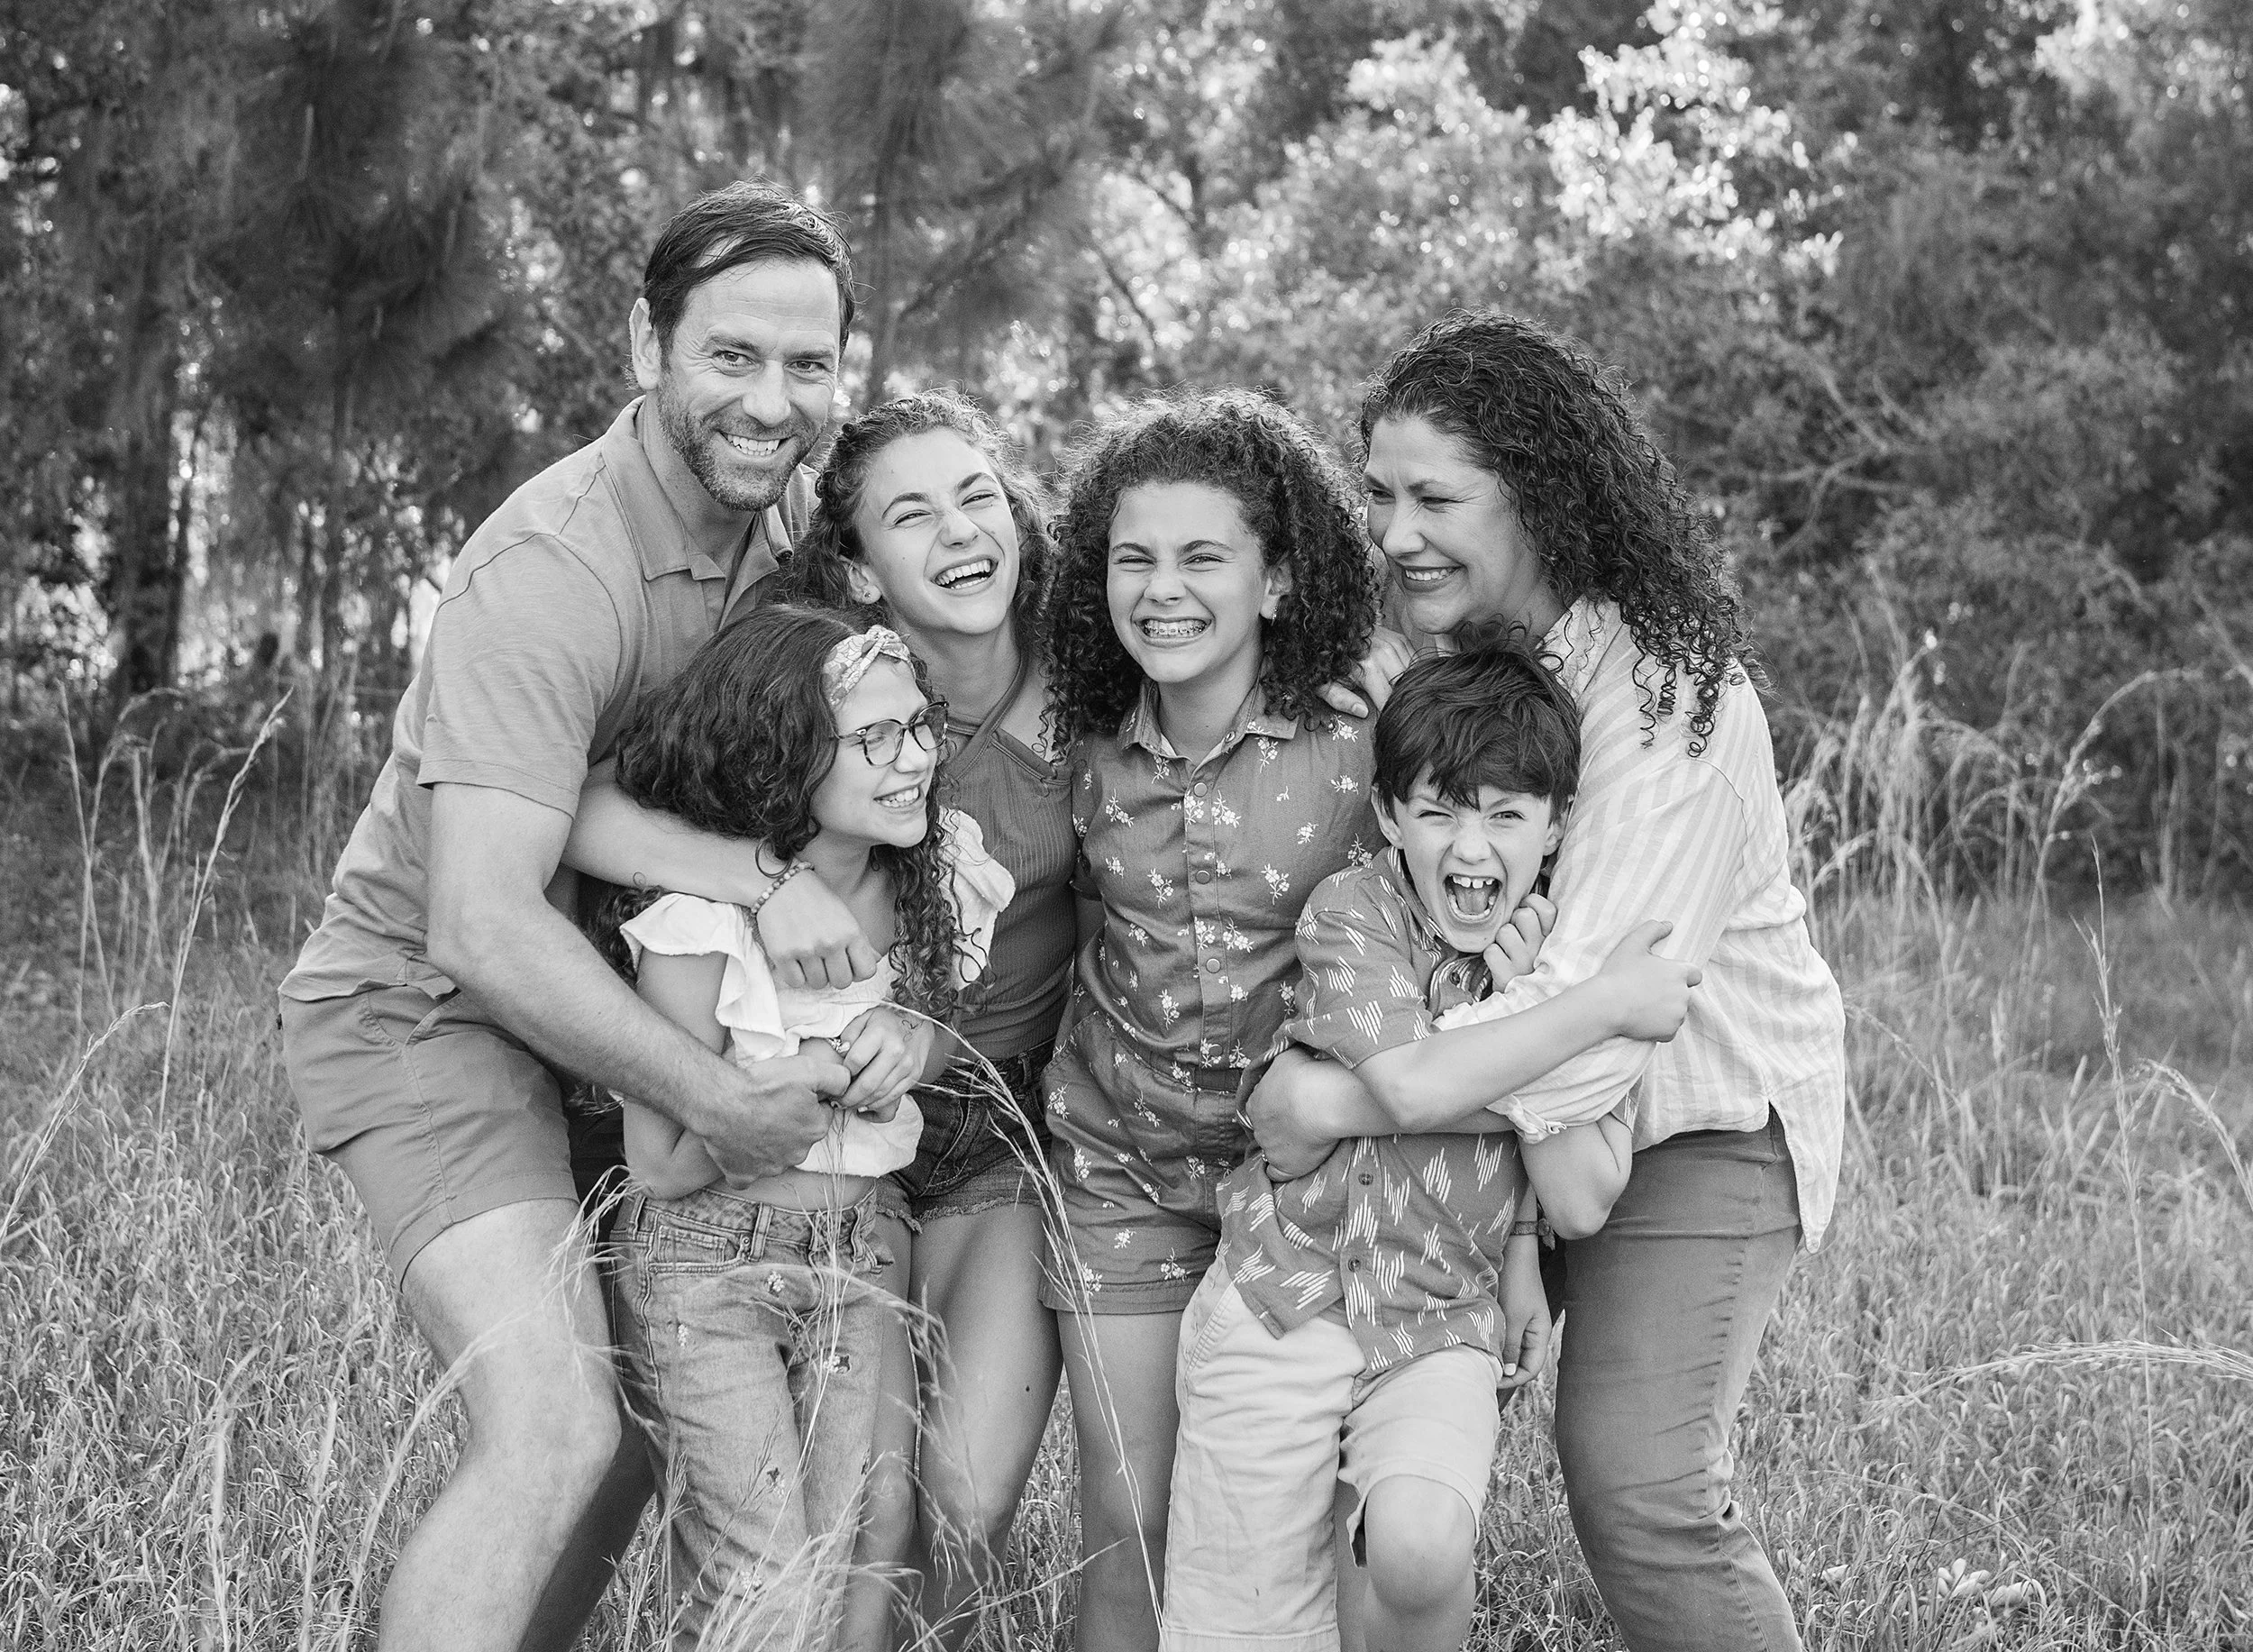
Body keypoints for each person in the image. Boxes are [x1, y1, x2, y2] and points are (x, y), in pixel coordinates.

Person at [276, 181, 872, 1652]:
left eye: (809, 366)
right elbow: (481, 921)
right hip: (431, 1013)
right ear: (644, 343)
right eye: (731, 356)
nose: (771, 400)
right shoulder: (553, 568)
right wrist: (719, 1101)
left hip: (610, 1002)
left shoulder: (781, 512)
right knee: (552, 1426)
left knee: (636, 1442)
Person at [1248, 311, 1849, 1652]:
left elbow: (1597, 1031)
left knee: (1640, 1484)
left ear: (1540, 499)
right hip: (1493, 1115)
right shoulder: (1410, 662)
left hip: (1697, 1118)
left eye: (1436, 498)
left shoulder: (1676, 698)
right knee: (1373, 1447)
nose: (1397, 530)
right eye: (1381, 493)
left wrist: (1337, 1100)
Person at [1159, 645, 1700, 1652]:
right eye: (1441, 809)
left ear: (1558, 825)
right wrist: (1590, 1014)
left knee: (1421, 1541)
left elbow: (1580, 1198)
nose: (1471, 848)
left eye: (1506, 814)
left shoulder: (1575, 957)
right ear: (1390, 815)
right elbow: (1406, 1083)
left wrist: (1523, 1243)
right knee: (1244, 1627)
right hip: (1287, 1293)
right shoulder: (1354, 912)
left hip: (1440, 1315)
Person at [594, 605, 1013, 1647]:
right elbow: (659, 1163)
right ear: (782, 758)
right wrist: (814, 1077)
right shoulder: (702, 923)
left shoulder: (940, 878)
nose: (912, 758)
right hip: (705, 1264)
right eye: (873, 739)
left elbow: (948, 1036)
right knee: (762, 1591)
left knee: (844, 1560)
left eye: (920, 727)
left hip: (859, 1252)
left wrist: (915, 1039)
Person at [1038, 390, 1385, 1652]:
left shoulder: (1361, 742)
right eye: (1135, 557)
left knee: (1279, 1530)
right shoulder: (1074, 747)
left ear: (1277, 582)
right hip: (1117, 1172)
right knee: (1127, 1516)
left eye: (1202, 558)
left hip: (1299, 1191)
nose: (1164, 590)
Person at [778, 390, 1072, 1647]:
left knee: (963, 1499)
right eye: (913, 514)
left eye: (977, 495)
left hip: (1005, 1128)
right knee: (864, 1511)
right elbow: (625, 805)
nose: (962, 532)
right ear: (859, 566)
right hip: (841, 1142)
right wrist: (770, 874)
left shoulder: (1096, 678)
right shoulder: (826, 693)